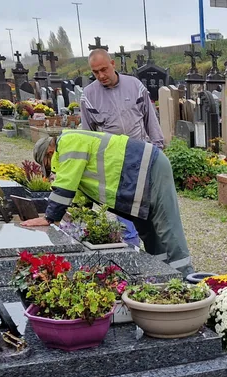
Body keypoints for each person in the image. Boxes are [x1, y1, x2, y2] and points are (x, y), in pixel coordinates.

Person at [21, 131, 194, 275]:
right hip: (135, 179)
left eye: (48, 165)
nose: (51, 171)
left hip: (149, 166)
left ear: (49, 152)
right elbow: (81, 195)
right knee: (149, 231)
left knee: (168, 226)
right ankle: (162, 275)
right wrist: (76, 220)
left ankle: (188, 278)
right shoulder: (69, 150)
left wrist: (49, 218)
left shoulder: (68, 142)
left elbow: (65, 185)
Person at [79, 49, 166, 246]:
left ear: (113, 64)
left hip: (141, 158)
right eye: (95, 72)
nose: (101, 75)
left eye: (104, 69)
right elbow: (88, 135)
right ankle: (133, 254)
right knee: (125, 212)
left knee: (149, 209)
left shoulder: (134, 86)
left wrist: (158, 147)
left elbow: (150, 118)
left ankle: (157, 251)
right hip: (114, 164)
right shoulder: (89, 95)